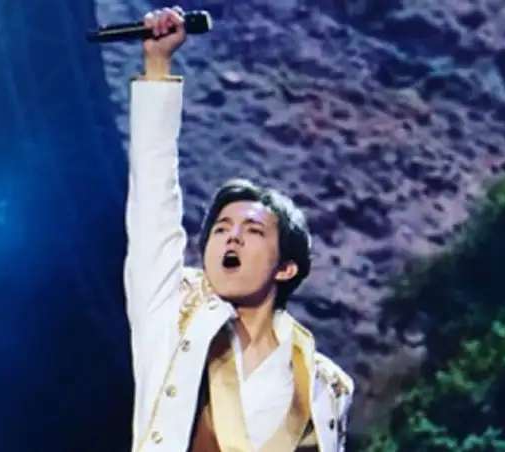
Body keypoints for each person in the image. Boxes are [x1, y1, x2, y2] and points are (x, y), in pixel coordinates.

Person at [125, 6, 354, 451]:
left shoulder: (324, 387)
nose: (231, 236)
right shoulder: (173, 314)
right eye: (220, 229)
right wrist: (157, 68)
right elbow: (152, 202)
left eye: (253, 231)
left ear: (286, 267)